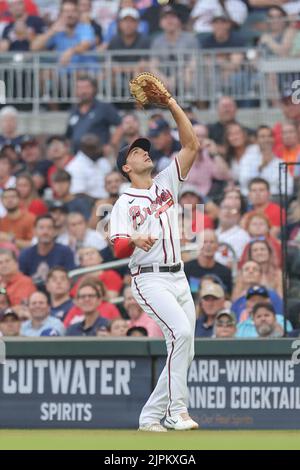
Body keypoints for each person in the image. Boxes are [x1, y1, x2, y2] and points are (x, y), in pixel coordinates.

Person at [110, 94, 200, 431]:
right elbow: (117, 248)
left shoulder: (165, 183)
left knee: (185, 346)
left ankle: (150, 417)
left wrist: (172, 105)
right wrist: (132, 239)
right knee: (179, 335)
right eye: (135, 151)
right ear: (126, 167)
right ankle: (176, 412)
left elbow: (192, 146)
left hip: (178, 277)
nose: (144, 152)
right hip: (149, 279)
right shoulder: (124, 201)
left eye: (144, 148)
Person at [65, 74, 122, 154]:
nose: (83, 91)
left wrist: (111, 146)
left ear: (94, 89)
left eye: (86, 87)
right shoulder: (73, 110)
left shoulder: (104, 107)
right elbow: (69, 136)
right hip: (78, 158)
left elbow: (121, 125)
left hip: (99, 157)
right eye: (80, 88)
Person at [19, 214, 75, 284]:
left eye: (49, 228)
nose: (45, 232)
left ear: (55, 231)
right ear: (34, 231)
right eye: (41, 228)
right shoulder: (25, 254)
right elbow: (21, 281)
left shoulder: (65, 252)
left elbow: (71, 279)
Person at [185, 229, 233, 297]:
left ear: (217, 246)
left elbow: (228, 296)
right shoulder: (186, 268)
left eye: (212, 242)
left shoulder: (225, 272)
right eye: (204, 242)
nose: (208, 245)